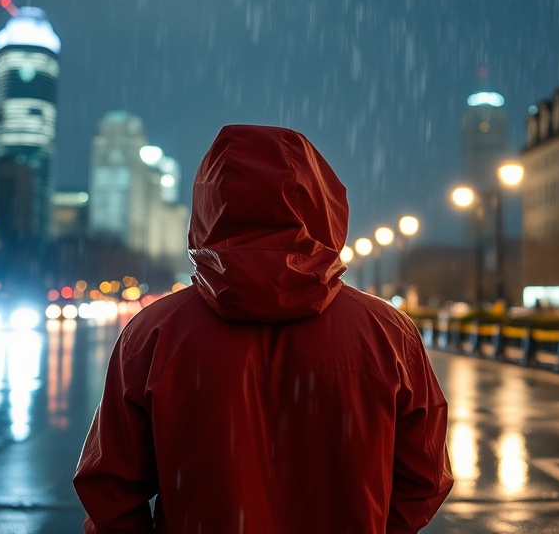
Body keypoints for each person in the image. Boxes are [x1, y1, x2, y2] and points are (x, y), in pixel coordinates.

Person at [74, 125, 453, 533]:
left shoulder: (152, 334)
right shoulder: (389, 334)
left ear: (207, 207)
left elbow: (109, 489)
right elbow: (425, 477)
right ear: (324, 205)